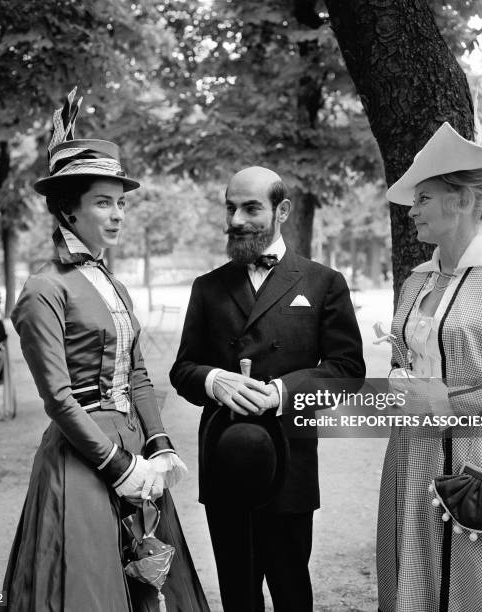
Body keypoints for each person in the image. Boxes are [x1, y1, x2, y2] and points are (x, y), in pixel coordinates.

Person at [2, 90, 209, 612]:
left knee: (150, 576)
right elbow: (57, 398)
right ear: (67, 210)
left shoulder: (110, 282)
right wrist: (119, 467)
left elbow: (137, 372)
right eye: (103, 202)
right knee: (92, 588)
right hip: (83, 456)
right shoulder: (43, 288)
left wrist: (159, 444)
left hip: (135, 447)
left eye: (121, 202)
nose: (117, 215)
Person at [170, 166, 365, 611]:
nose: (236, 219)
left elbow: (348, 369)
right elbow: (183, 369)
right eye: (230, 207)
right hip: (224, 457)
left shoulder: (323, 283)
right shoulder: (208, 287)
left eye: (251, 208)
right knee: (237, 592)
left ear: (282, 211)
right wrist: (214, 381)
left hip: (290, 461)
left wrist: (281, 392)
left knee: (292, 588)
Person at [378, 122, 482, 612]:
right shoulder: (416, 282)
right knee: (415, 574)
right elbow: (404, 357)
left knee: (466, 586)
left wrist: (442, 402)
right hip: (410, 448)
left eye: (424, 198)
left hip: (477, 457)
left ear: (463, 201)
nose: (412, 210)